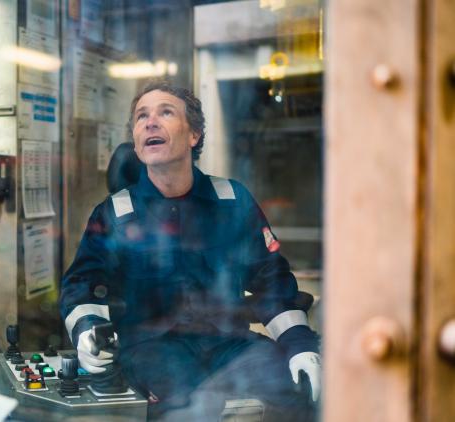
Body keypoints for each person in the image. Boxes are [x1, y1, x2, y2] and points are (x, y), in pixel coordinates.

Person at [59, 80, 321, 420]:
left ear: (194, 135)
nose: (150, 122)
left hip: (231, 347)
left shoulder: (232, 200)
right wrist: (87, 331)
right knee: (189, 405)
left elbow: (271, 281)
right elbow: (82, 287)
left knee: (297, 387)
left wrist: (299, 344)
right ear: (137, 144)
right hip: (152, 351)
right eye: (141, 117)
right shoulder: (115, 213)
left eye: (165, 112)